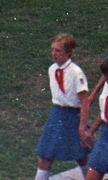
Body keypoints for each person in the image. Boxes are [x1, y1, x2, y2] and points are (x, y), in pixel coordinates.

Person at [36, 34, 90, 180]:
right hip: (57, 114)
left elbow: (85, 101)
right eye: (53, 50)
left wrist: (82, 127)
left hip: (73, 116)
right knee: (45, 155)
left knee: (81, 156)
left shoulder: (76, 73)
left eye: (59, 51)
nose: (54, 54)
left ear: (69, 52)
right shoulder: (51, 70)